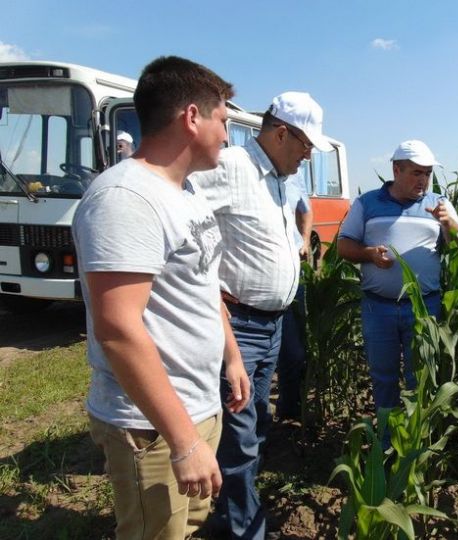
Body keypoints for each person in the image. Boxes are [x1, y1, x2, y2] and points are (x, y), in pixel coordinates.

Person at [72, 56, 250, 540]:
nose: (229, 136)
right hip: (150, 425)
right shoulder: (125, 199)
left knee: (184, 525)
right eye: (225, 121)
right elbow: (118, 330)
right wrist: (183, 440)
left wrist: (231, 356)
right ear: (192, 117)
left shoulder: (186, 193)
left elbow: (203, 283)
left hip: (195, 404)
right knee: (155, 532)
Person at [192, 91, 333, 539]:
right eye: (306, 144)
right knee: (239, 436)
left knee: (255, 423)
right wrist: (206, 284)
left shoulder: (277, 177)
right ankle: (242, 530)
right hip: (239, 325)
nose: (309, 154)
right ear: (280, 133)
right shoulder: (232, 167)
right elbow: (179, 211)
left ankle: (228, 516)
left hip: (271, 324)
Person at [337, 140, 458, 415]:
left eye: (427, 173)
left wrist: (450, 225)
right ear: (396, 169)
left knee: (420, 379)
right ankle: (386, 439)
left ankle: (414, 442)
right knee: (383, 376)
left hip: (423, 308)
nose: (423, 180)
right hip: (378, 307)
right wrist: (369, 254)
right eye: (416, 173)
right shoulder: (367, 203)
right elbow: (343, 245)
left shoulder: (439, 204)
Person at [276, 169, 313, 420]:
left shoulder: (296, 176)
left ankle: (288, 409)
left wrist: (306, 239)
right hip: (260, 279)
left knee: (294, 350)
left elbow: (306, 209)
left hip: (292, 274)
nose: (307, 156)